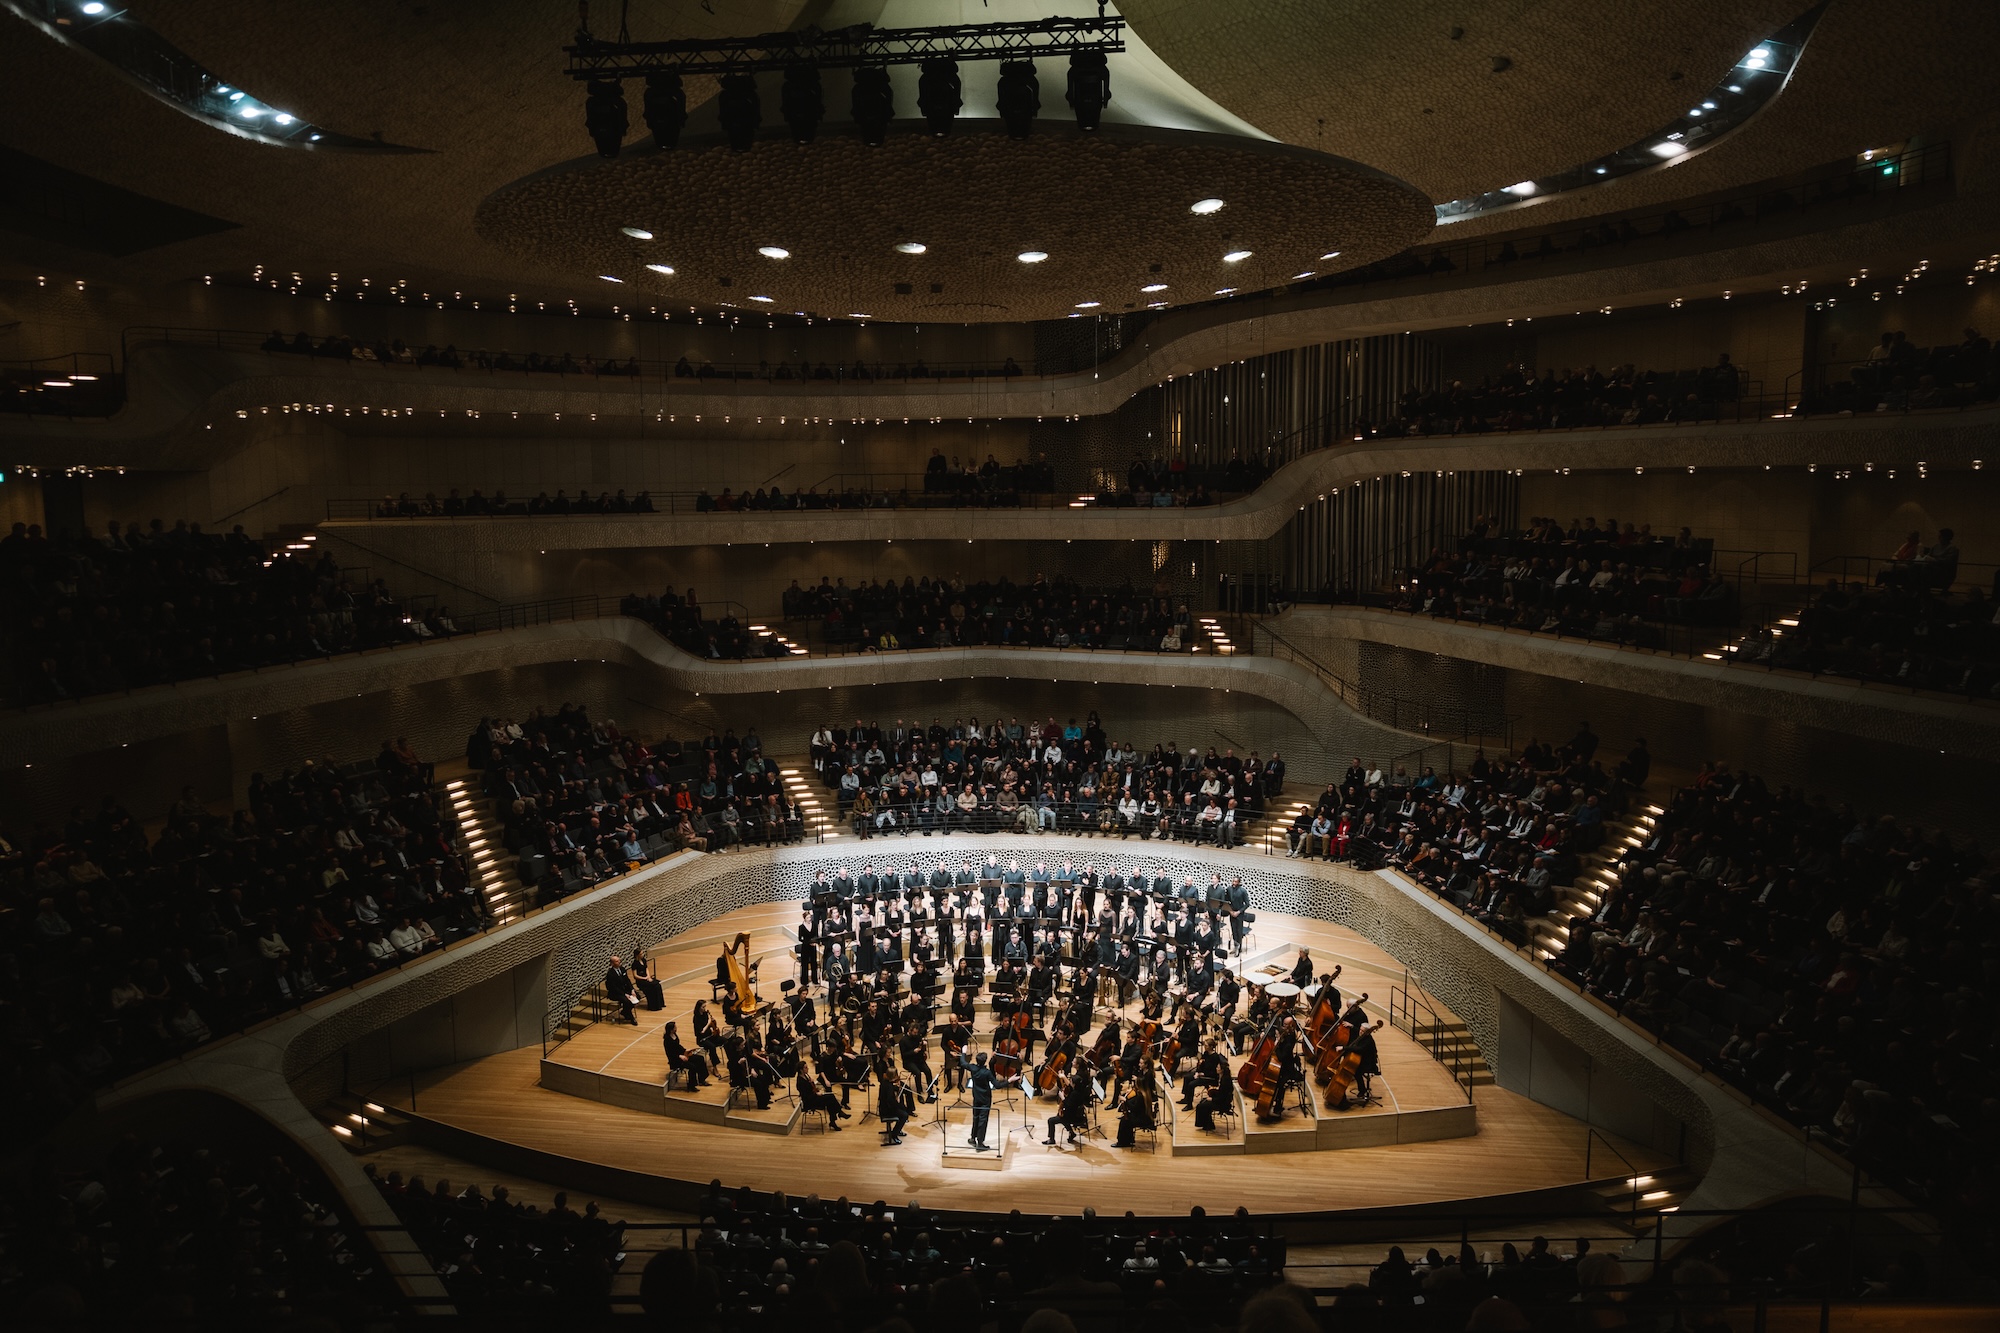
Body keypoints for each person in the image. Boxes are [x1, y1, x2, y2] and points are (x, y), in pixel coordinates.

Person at [960, 1049, 1012, 1151]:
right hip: (985, 1100)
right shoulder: (987, 1073)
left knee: (976, 1117)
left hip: (976, 1097)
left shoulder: (973, 1068)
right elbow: (997, 1085)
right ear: (985, 1061)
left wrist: (963, 1052)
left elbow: (963, 1062)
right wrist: (1009, 1080)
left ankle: (973, 1138)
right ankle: (980, 1143)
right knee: (983, 1121)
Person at [1044, 1069, 1091, 1147]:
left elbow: (1068, 1106)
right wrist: (1063, 1077)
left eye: (1071, 1081)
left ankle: (1051, 1139)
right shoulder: (1080, 1090)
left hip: (1073, 1117)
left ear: (1074, 1084)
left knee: (1051, 1120)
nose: (1070, 1082)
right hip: (1079, 1115)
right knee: (1060, 1116)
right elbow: (1069, 1086)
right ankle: (1071, 1133)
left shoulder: (1074, 1094)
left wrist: (1062, 1098)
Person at [663, 1021, 710, 1089]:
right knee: (692, 1066)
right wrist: (679, 1056)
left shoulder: (674, 1035)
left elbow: (678, 1046)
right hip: (675, 1060)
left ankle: (702, 1079)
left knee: (700, 1058)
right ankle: (691, 1085)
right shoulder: (667, 1040)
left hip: (682, 1055)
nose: (676, 1028)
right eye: (675, 1027)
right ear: (671, 1030)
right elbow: (669, 1053)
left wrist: (685, 1050)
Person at [879, 1069, 914, 1145]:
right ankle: (894, 1134)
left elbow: (892, 1090)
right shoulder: (888, 1086)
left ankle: (898, 1130)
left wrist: (898, 1088)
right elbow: (890, 1101)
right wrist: (897, 1101)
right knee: (904, 1115)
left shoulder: (886, 1081)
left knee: (903, 1109)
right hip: (886, 1109)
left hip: (886, 1106)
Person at [605, 954, 640, 1025]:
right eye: (617, 961)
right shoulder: (610, 974)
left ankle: (624, 1012)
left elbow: (627, 980)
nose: (619, 962)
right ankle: (631, 1018)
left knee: (637, 996)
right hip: (616, 993)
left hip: (625, 990)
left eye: (619, 960)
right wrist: (624, 994)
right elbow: (614, 987)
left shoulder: (622, 969)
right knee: (627, 1001)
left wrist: (632, 990)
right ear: (612, 963)